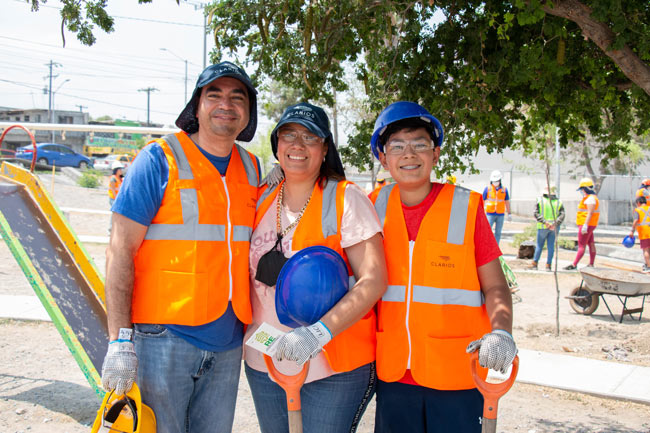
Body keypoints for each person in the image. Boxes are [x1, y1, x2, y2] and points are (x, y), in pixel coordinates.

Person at [100, 62, 261, 433]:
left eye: (238, 97)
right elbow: (119, 250)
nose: (226, 104)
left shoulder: (252, 168)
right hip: (163, 339)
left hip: (227, 340)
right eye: (214, 95)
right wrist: (120, 341)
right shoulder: (158, 160)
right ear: (197, 105)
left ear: (248, 113)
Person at [368, 101, 516, 433]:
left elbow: (495, 286)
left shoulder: (467, 206)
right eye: (397, 147)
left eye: (420, 144)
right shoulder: (372, 206)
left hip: (458, 375)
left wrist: (502, 331)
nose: (409, 154)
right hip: (394, 375)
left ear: (435, 154)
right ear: (383, 157)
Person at [245, 102, 387, 433]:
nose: (297, 145)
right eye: (289, 135)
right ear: (277, 144)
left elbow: (374, 280)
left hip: (333, 367)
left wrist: (316, 335)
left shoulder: (345, 199)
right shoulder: (262, 197)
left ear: (324, 149)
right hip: (265, 358)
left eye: (310, 137)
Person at [565, 177, 599, 270]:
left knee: (581, 245)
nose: (582, 191)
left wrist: (585, 225)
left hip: (586, 225)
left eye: (582, 189)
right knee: (591, 243)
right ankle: (591, 263)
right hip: (590, 224)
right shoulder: (591, 198)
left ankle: (574, 264)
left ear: (585, 189)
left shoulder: (590, 199)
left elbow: (590, 212)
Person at [529, 185, 565, 271]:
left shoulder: (540, 200)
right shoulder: (559, 202)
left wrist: (545, 222)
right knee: (551, 246)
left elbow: (536, 213)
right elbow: (562, 215)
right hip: (554, 228)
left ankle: (535, 264)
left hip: (542, 227)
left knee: (539, 246)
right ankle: (548, 265)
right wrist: (555, 224)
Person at [482, 170, 511, 244]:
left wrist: (509, 213)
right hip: (490, 213)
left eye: (497, 181)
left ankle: (496, 248)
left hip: (500, 214)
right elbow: (482, 200)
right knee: (487, 232)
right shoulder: (488, 189)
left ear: (500, 180)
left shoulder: (504, 190)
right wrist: (481, 212)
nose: (495, 182)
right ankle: (486, 246)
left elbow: (507, 201)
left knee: (498, 233)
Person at [630, 196, 650, 273]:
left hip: (644, 233)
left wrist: (632, 231)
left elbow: (635, 221)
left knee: (646, 250)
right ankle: (647, 264)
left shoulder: (637, 210)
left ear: (638, 203)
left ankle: (648, 267)